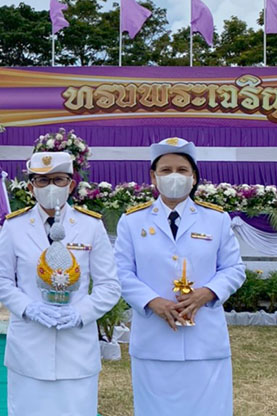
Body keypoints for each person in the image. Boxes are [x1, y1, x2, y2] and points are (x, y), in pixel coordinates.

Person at [114, 137, 246, 416]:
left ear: (194, 176)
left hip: (205, 340)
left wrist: (207, 292)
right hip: (154, 340)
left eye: (182, 170)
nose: (174, 176)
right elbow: (121, 272)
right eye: (166, 170)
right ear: (153, 176)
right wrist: (151, 301)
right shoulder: (132, 221)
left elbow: (234, 269)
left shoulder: (216, 219)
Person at [0, 151, 120, 415]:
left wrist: (80, 313)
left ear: (71, 185)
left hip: (76, 348)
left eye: (59, 180)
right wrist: (28, 308)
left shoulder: (90, 226)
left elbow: (109, 285)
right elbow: (1, 279)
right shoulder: (14, 226)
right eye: (42, 181)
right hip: (29, 347)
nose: (51, 187)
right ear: (31, 186)